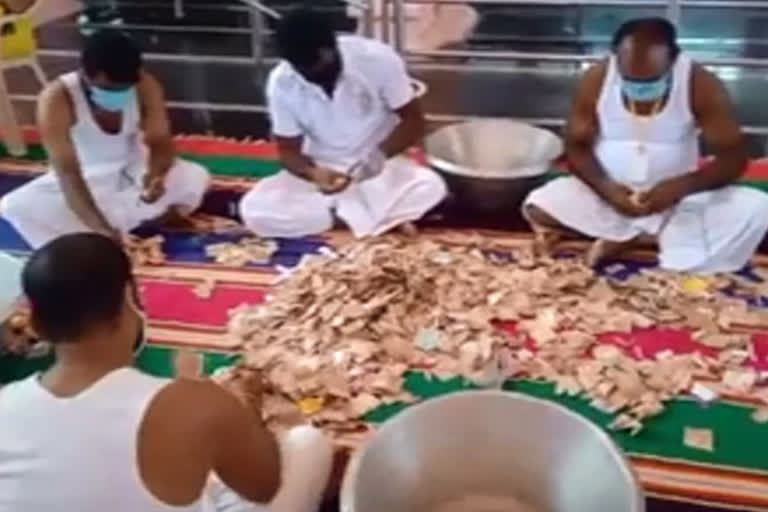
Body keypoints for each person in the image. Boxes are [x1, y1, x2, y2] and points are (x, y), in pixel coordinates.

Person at [0, 233, 333, 512]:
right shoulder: (194, 402)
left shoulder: (5, 404)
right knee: (308, 444)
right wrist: (215, 396)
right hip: (208, 423)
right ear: (131, 302)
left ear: (36, 324)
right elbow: (264, 487)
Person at [524, 18, 768, 273]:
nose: (639, 87)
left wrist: (680, 187)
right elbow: (576, 146)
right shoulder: (597, 79)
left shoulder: (700, 83)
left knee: (756, 207)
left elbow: (733, 159)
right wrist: (608, 189)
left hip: (678, 202)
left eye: (649, 81)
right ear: (616, 59)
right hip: (611, 197)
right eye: (630, 78)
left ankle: (634, 238)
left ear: (674, 61)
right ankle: (649, 239)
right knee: (542, 204)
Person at [240, 9, 447, 239]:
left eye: (315, 64)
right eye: (301, 68)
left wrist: (378, 157)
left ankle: (349, 217)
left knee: (430, 186)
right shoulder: (282, 82)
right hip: (323, 171)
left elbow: (414, 121)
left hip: (378, 166)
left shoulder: (377, 59)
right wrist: (313, 173)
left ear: (332, 48)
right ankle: (375, 220)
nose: (309, 73)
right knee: (255, 211)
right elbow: (288, 150)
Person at [0, 30, 209, 249]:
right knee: (15, 206)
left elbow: (160, 141)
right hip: (87, 180)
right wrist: (101, 230)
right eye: (108, 89)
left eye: (125, 89)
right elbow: (68, 173)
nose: (118, 95)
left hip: (133, 171)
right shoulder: (56, 99)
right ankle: (118, 227)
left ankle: (116, 225)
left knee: (195, 176)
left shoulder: (145, 85)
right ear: (86, 75)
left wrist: (156, 176)